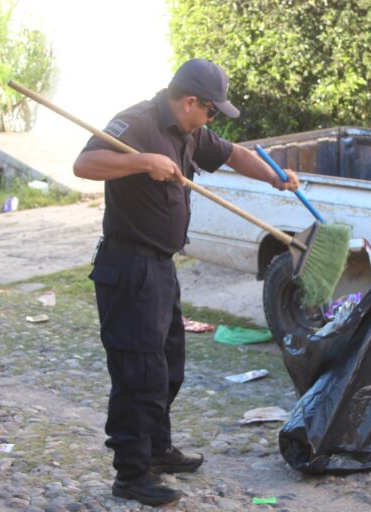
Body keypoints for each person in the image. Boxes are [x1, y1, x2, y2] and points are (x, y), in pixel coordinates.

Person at [73, 58, 300, 506]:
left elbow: (233, 153)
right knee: (138, 373)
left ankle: (157, 449)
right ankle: (132, 474)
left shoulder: (191, 131)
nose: (213, 120)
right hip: (128, 267)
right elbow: (84, 164)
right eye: (212, 111)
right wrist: (142, 162)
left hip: (161, 268)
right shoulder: (137, 122)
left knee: (168, 364)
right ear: (191, 102)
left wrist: (275, 177)